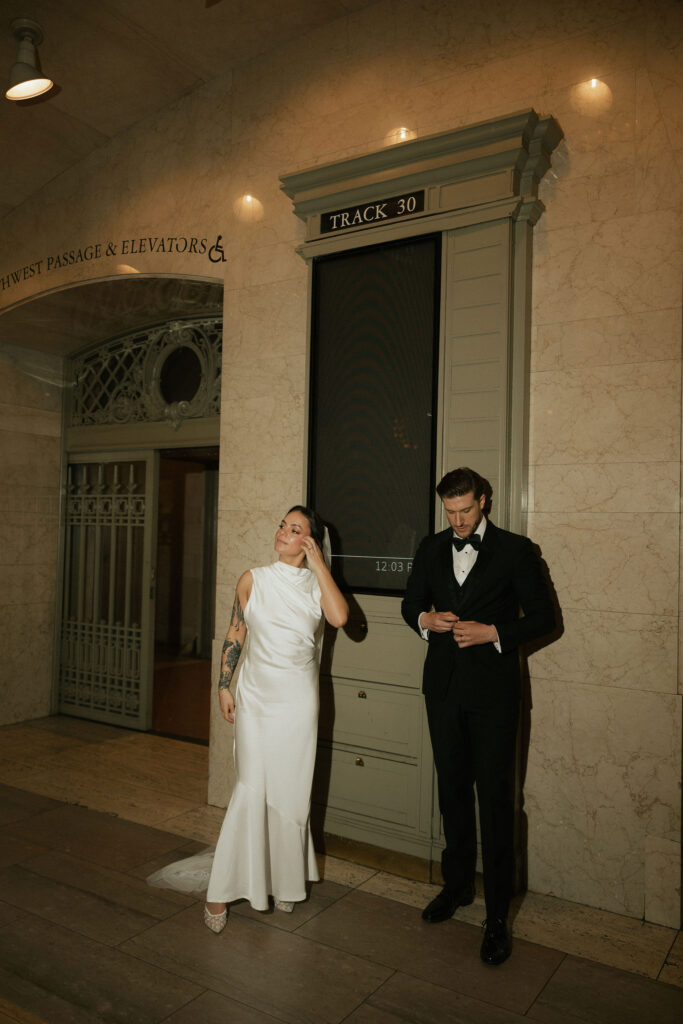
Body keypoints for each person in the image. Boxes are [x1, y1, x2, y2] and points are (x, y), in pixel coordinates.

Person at [148, 505, 348, 932]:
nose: (282, 532)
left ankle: (286, 883)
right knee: (252, 787)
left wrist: (318, 565)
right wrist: (223, 684)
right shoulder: (253, 578)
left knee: (292, 796)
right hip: (256, 697)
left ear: (309, 541)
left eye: (295, 530)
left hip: (298, 702)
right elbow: (236, 631)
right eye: (282, 524)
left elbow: (340, 618)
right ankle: (219, 890)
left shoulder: (318, 586)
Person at [401, 467, 555, 965]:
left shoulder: (516, 550)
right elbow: (410, 605)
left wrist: (495, 632)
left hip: (494, 696)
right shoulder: (430, 548)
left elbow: (546, 618)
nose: (459, 520)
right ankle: (458, 887)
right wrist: (426, 620)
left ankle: (496, 917)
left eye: (466, 510)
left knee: (495, 798)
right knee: (451, 792)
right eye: (450, 512)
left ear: (483, 500)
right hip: (442, 691)